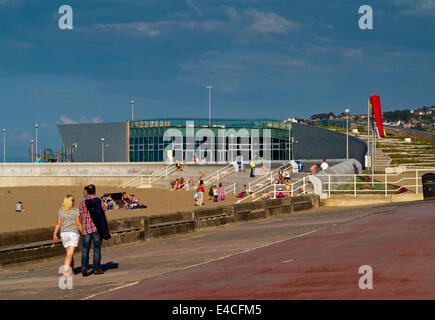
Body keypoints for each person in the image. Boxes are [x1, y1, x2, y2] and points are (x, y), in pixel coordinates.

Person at [79, 184, 110, 276]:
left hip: (86, 228)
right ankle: (96, 269)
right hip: (96, 228)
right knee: (97, 249)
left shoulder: (82, 202)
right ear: (95, 191)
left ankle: (84, 267)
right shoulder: (99, 200)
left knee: (85, 249)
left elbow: (81, 216)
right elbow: (103, 211)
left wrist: (82, 225)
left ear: (87, 192)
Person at [53, 195, 82, 277]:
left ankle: (72, 270)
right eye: (73, 201)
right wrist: (84, 231)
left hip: (64, 234)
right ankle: (65, 270)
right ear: (71, 201)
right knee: (70, 253)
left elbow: (58, 223)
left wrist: (55, 234)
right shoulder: (75, 210)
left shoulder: (61, 210)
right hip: (73, 233)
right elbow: (78, 223)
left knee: (69, 254)